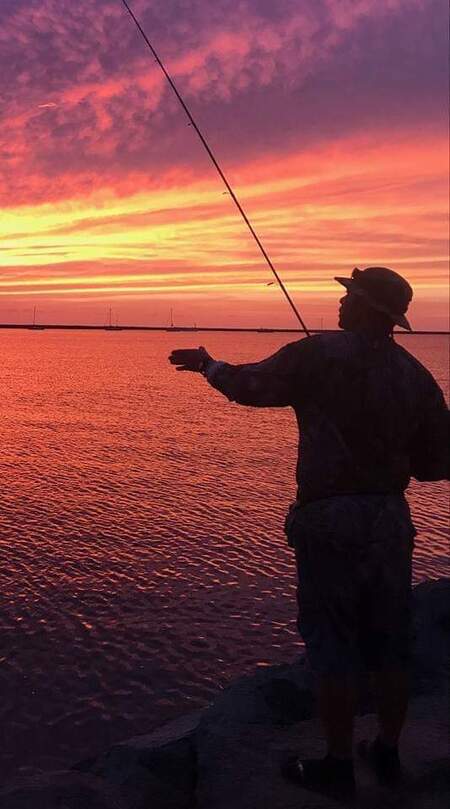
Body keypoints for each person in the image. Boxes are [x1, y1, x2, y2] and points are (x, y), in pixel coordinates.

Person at [168, 266, 449, 800]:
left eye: (349, 296)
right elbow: (439, 462)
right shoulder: (415, 375)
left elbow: (250, 386)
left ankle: (338, 765)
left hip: (329, 523)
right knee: (393, 642)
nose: (340, 304)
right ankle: (387, 753)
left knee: (333, 643)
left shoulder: (319, 353)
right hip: (391, 521)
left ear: (367, 307)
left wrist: (208, 365)